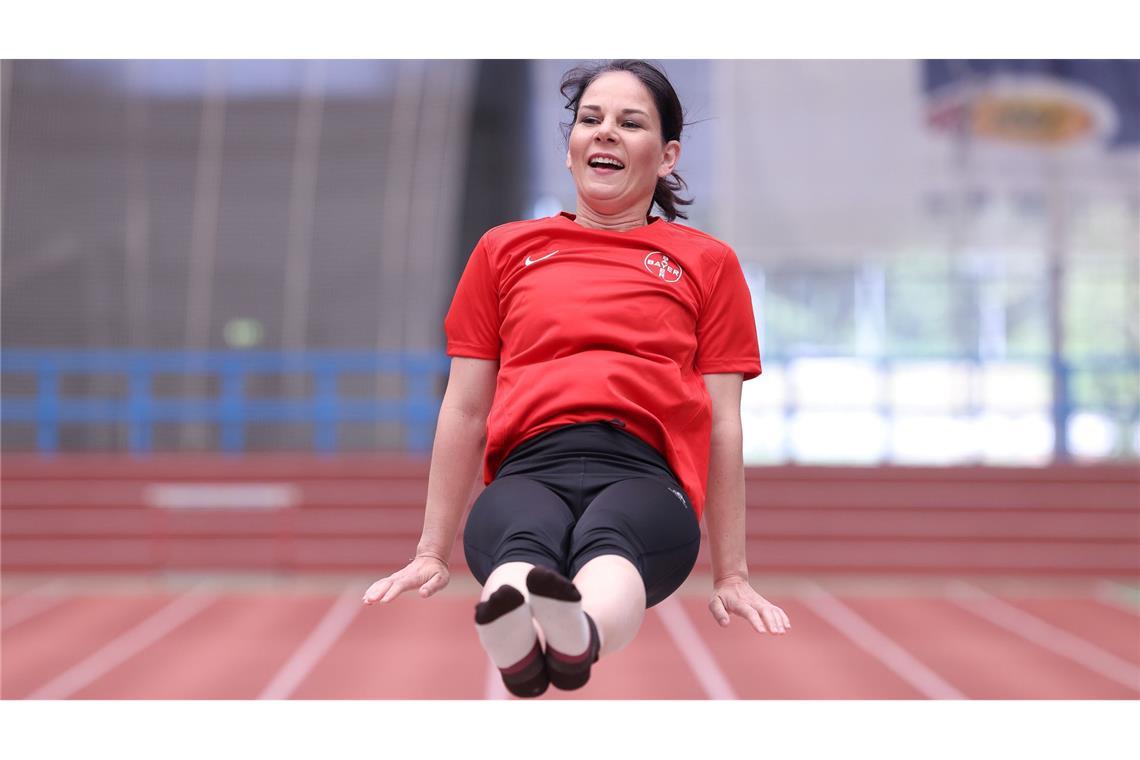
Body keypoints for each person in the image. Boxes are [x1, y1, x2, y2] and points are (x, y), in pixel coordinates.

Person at [363, 59, 790, 698]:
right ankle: (516, 632)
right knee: (520, 539)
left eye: (630, 122)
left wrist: (733, 572)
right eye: (590, 119)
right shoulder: (503, 251)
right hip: (529, 466)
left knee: (612, 539)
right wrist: (431, 549)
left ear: (667, 155)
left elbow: (723, 422)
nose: (606, 132)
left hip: (646, 473)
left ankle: (576, 633)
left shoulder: (707, 263)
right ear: (569, 151)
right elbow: (464, 411)